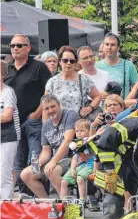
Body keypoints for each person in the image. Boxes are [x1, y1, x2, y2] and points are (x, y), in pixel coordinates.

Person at [4, 34, 51, 196]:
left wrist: (37, 113)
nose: (15, 48)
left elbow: (48, 92)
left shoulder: (39, 67)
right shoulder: (7, 68)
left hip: (33, 121)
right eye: (13, 46)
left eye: (19, 45)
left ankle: (41, 197)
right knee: (18, 161)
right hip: (13, 124)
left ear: (28, 48)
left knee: (36, 159)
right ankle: (24, 197)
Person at [20, 94, 79, 198]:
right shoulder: (46, 124)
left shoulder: (70, 114)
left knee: (51, 171)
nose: (50, 110)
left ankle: (66, 205)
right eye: (46, 108)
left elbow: (68, 140)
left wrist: (53, 161)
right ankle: (47, 204)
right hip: (56, 160)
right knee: (26, 174)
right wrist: (36, 165)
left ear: (59, 105)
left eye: (53, 106)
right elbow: (46, 151)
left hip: (73, 157)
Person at [45, 46, 101, 119]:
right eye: (65, 60)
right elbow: (45, 107)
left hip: (79, 125)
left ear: (75, 63)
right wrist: (46, 127)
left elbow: (97, 96)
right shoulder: (52, 82)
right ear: (60, 61)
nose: (68, 63)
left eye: (72, 61)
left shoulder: (84, 79)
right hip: (58, 124)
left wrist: (90, 108)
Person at [60, 119, 95, 204]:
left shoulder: (91, 141)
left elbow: (95, 156)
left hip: (90, 166)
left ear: (89, 131)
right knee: (63, 181)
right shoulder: (77, 143)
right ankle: (62, 202)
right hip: (79, 166)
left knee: (80, 178)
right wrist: (72, 169)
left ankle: (82, 201)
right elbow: (75, 157)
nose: (79, 133)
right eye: (77, 131)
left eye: (82, 130)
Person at [96, 33, 138, 100]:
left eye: (112, 45)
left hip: (123, 108)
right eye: (107, 44)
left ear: (118, 48)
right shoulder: (96, 66)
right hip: (101, 108)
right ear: (103, 47)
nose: (109, 47)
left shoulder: (128, 65)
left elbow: (137, 89)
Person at [0, 60, 20, 199]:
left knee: (4, 173)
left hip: (8, 136)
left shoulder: (8, 92)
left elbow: (7, 116)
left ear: (2, 75)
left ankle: (5, 205)